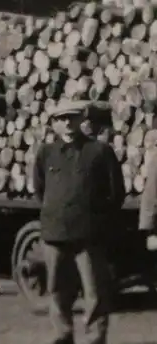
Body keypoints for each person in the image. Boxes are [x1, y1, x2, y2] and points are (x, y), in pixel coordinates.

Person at [33, 100, 125, 344]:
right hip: (55, 233)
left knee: (94, 291)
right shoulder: (46, 153)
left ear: (81, 120)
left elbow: (116, 193)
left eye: (72, 118)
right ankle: (62, 334)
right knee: (57, 290)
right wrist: (57, 212)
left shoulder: (99, 151)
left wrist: (96, 219)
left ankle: (95, 337)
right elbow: (40, 189)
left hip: (88, 235)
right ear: (54, 124)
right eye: (61, 119)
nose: (67, 123)